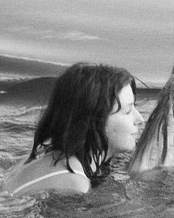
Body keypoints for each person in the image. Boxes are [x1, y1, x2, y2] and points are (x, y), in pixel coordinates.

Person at [7, 62, 143, 195]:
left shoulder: (47, 155)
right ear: (96, 121)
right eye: (127, 111)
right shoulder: (74, 184)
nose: (140, 119)